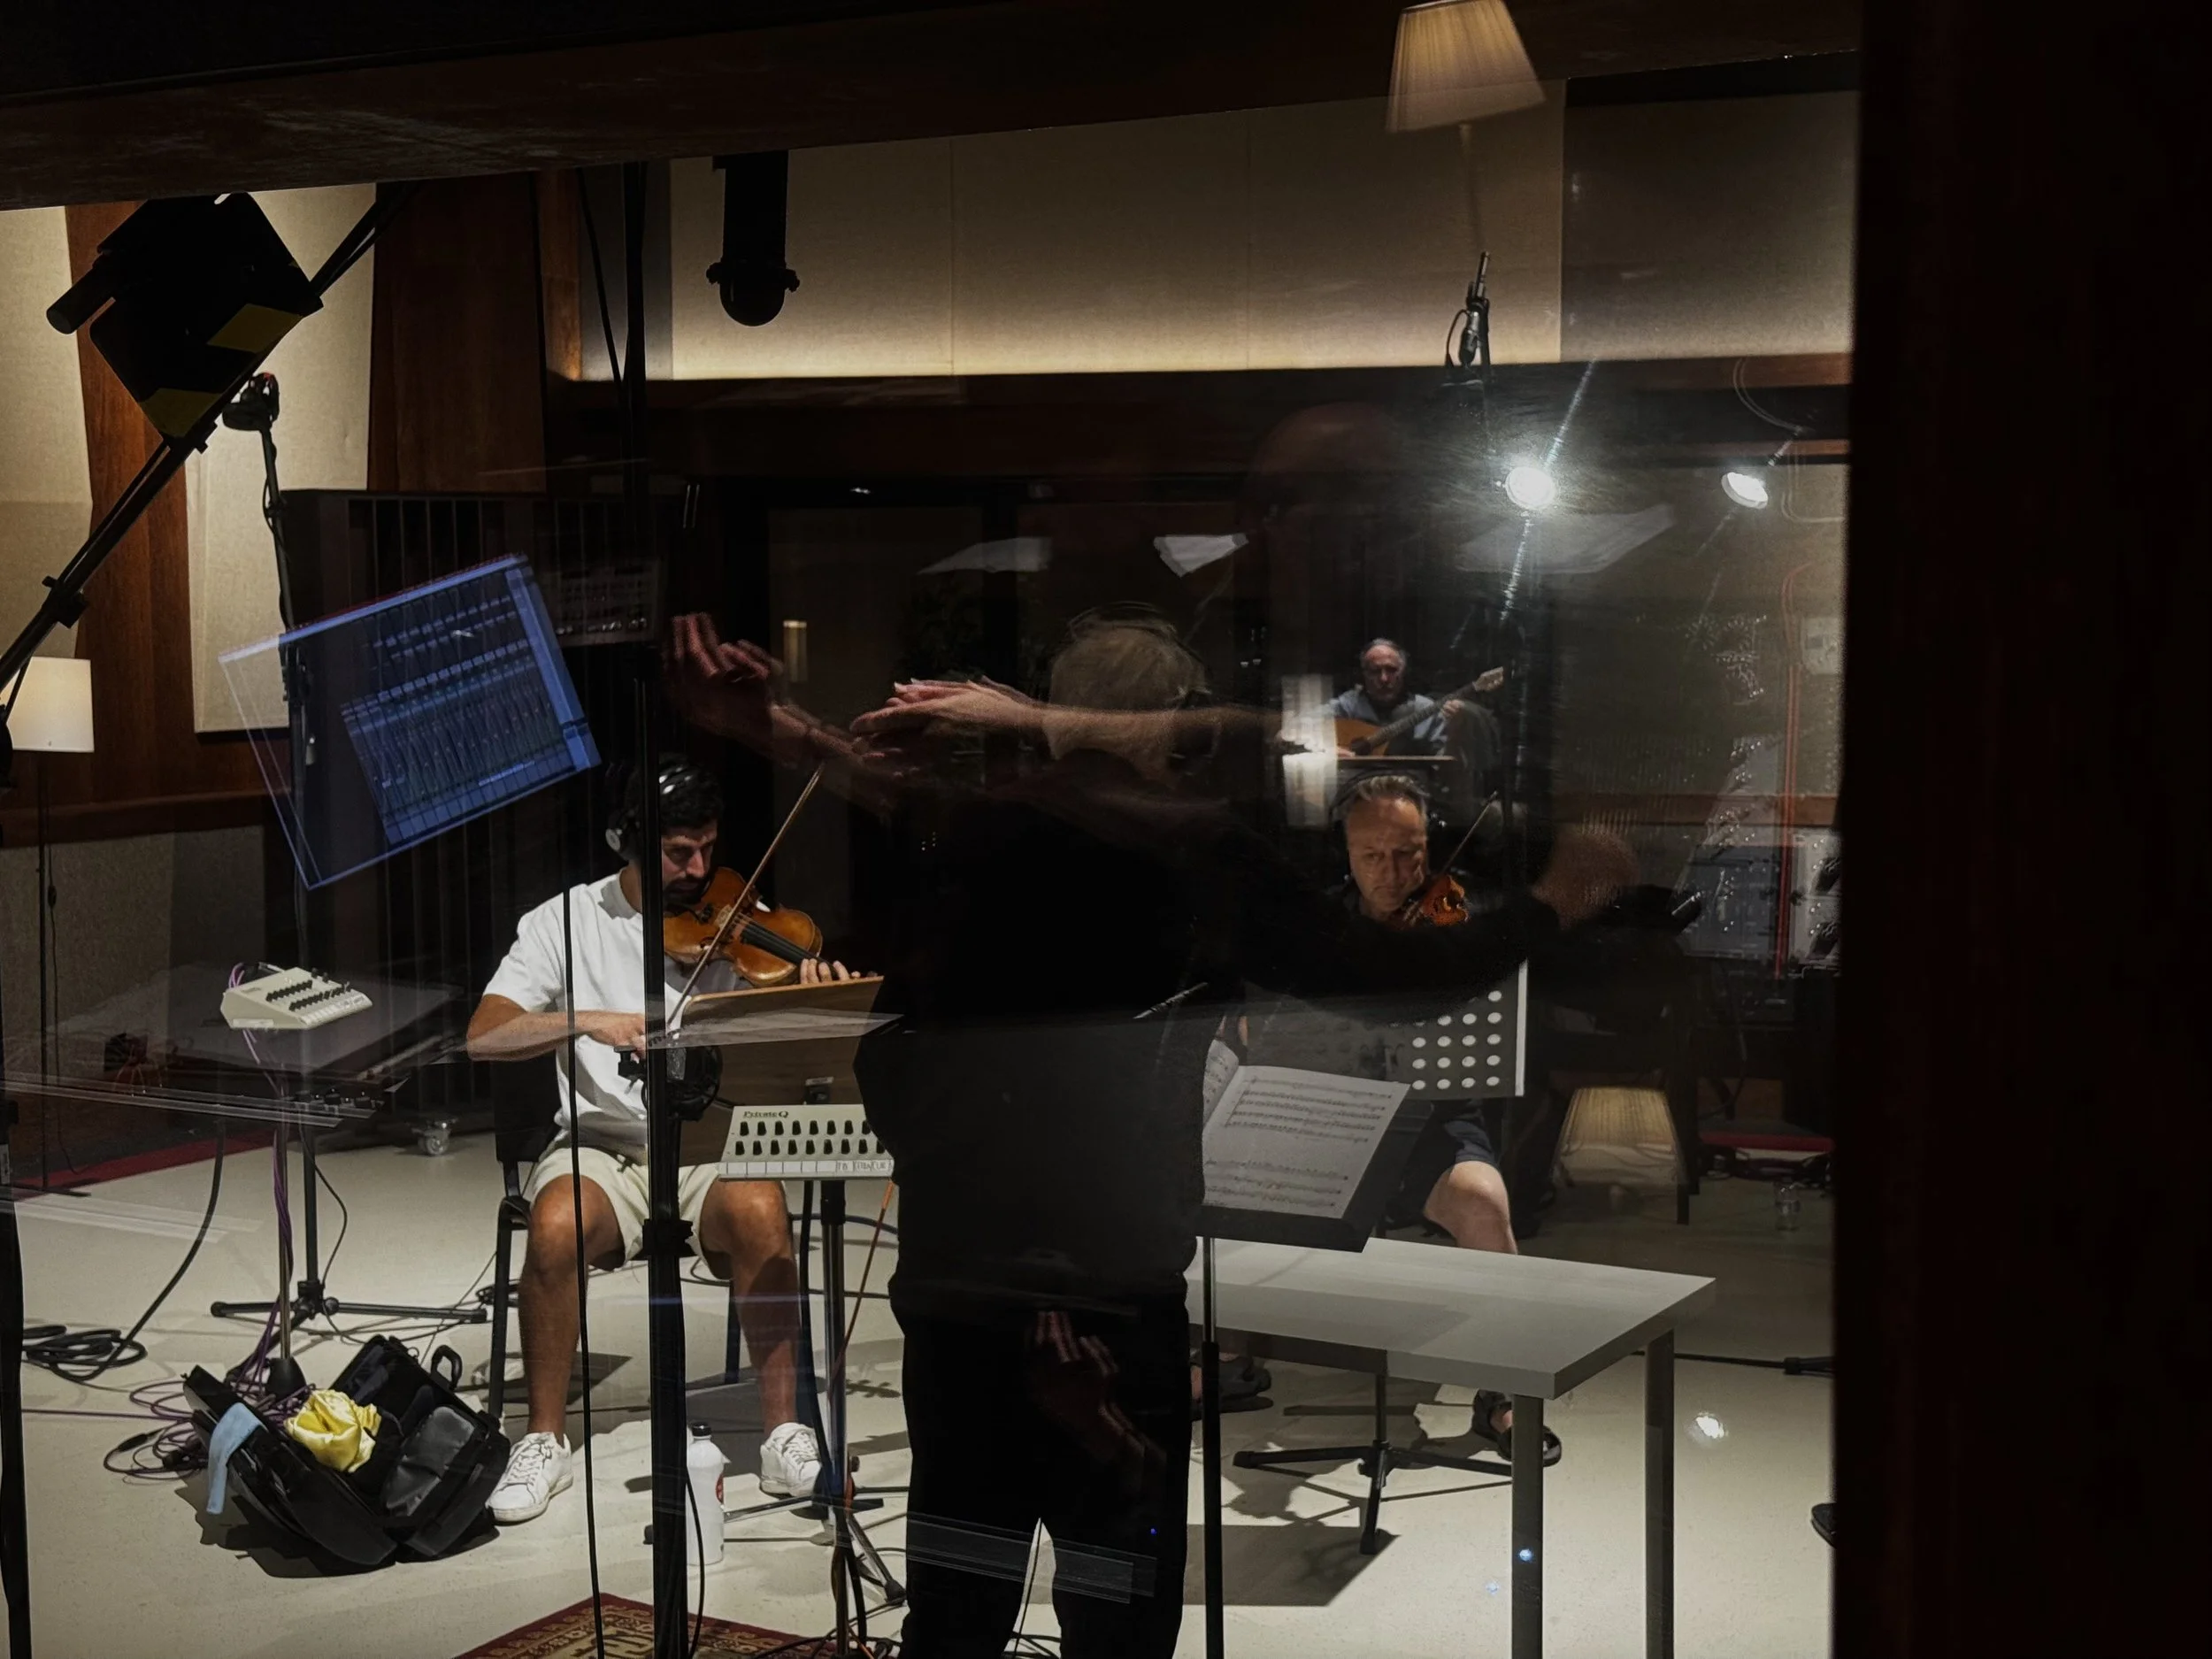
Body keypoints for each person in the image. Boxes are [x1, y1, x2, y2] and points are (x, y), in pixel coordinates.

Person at [670, 611, 1633, 1657]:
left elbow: (892, 1051)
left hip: (955, 1284)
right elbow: (1388, 979)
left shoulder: (971, 823)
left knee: (957, 1599)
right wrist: (1552, 903)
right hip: (1108, 1282)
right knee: (1116, 1600)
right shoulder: (1194, 849)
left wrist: (787, 728)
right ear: (1171, 724)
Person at [466, 757, 850, 1525]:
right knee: (553, 1225)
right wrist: (583, 1019)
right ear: (630, 842)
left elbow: (791, 1047)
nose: (701, 870)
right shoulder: (564, 921)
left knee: (763, 1209)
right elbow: (485, 1033)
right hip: (606, 1146)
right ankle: (543, 1440)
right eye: (680, 852)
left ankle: (784, 1433)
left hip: (710, 1143)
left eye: (708, 848)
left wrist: (819, 999)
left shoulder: (740, 920)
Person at [1328, 769, 1555, 1458]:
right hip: (1335, 1120)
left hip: (1432, 1120)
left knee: (1485, 1205)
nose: (1394, 873)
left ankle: (1502, 1395)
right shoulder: (1317, 932)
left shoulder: (1461, 922)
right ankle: (1217, 1365)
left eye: (1409, 853)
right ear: (1345, 853)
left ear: (1430, 847)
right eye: (1373, 856)